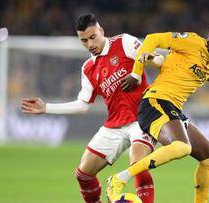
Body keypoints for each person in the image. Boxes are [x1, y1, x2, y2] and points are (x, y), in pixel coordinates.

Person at [106, 20, 209, 203]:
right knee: (182, 147)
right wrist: (135, 73)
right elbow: (153, 38)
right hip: (155, 102)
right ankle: (119, 179)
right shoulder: (192, 42)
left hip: (173, 109)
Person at [21, 13, 164, 203]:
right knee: (83, 174)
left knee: (137, 164)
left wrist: (152, 59)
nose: (90, 44)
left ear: (101, 31)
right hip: (114, 124)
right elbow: (82, 105)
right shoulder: (88, 68)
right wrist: (46, 107)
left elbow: (158, 61)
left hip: (142, 118)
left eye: (92, 37)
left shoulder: (124, 42)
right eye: (84, 41)